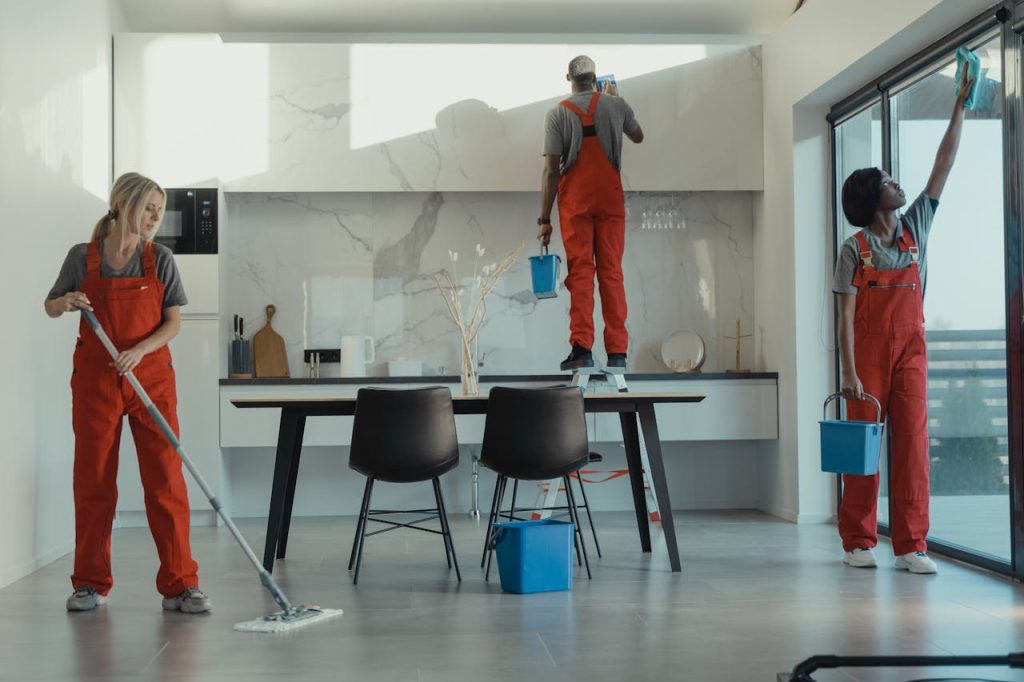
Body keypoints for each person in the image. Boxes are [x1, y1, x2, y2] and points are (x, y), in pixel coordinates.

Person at [45, 172, 211, 612]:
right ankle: (89, 583)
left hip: (151, 380)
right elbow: (51, 304)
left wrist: (139, 350)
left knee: (165, 481)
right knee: (94, 481)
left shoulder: (161, 259)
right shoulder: (83, 258)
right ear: (121, 203)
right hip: (97, 381)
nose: (156, 216)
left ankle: (180, 585)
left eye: (160, 209)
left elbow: (173, 323)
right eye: (149, 207)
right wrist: (65, 303)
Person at [831, 70, 973, 575]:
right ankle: (857, 540)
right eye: (886, 182)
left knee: (912, 444)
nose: (896, 183)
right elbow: (844, 316)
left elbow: (944, 163)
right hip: (865, 357)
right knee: (863, 448)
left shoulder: (916, 227)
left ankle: (912, 544)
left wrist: (959, 105)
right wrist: (848, 372)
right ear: (872, 200)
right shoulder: (853, 250)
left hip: (911, 348)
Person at [537, 55, 644, 371]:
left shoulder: (556, 114)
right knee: (611, 272)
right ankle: (618, 352)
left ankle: (582, 348)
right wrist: (615, 102)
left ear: (567, 77)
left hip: (576, 202)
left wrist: (544, 219)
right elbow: (638, 136)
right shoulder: (616, 104)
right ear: (596, 77)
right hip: (610, 199)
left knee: (581, 273)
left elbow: (550, 172)